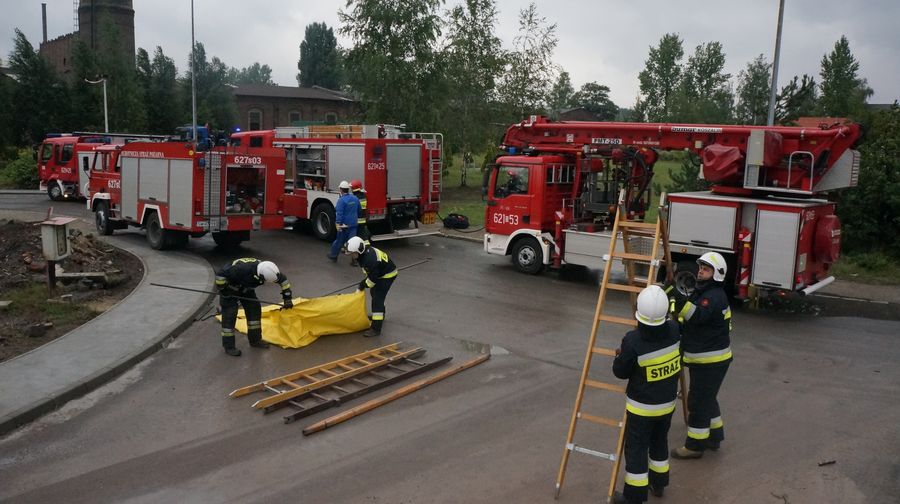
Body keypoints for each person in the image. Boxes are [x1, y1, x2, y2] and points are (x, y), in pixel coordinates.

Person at [611, 285, 681, 504]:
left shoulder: (632, 341)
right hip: (667, 405)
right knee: (659, 442)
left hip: (641, 409)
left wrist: (619, 356)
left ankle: (634, 497)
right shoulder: (674, 331)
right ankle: (659, 483)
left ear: (638, 313)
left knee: (637, 450)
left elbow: (620, 372)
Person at [671, 251, 733, 459]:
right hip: (710, 359)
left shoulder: (713, 297)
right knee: (708, 398)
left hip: (710, 361)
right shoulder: (705, 292)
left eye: (706, 269)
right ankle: (715, 437)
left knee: (697, 402)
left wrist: (675, 295)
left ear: (717, 274)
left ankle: (695, 446)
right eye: (700, 268)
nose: (700, 272)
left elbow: (696, 316)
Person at [214, 258, 293, 357]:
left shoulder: (270, 270)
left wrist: (287, 299)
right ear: (259, 275)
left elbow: (284, 282)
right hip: (230, 291)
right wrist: (223, 288)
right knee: (230, 315)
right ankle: (229, 347)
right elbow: (220, 275)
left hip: (247, 290)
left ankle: (255, 340)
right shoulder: (240, 269)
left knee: (254, 310)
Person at [345, 236, 397, 337]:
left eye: (352, 253)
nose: (351, 255)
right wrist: (363, 284)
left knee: (377, 299)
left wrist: (362, 285)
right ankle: (380, 315)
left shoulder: (369, 260)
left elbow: (372, 280)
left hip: (387, 276)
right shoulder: (364, 251)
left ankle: (376, 329)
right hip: (381, 273)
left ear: (358, 251)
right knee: (374, 293)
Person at [328, 180, 360, 262]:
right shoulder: (355, 198)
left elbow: (339, 214)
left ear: (341, 190)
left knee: (339, 241)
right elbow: (359, 209)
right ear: (348, 189)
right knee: (353, 243)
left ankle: (333, 256)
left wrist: (338, 224)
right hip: (353, 224)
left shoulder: (341, 200)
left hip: (344, 225)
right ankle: (355, 260)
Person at [350, 179, 369, 266]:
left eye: (351, 188)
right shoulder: (363, 196)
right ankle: (367, 252)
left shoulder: (355, 198)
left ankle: (355, 260)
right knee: (364, 237)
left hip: (356, 221)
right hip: (363, 220)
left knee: (354, 239)